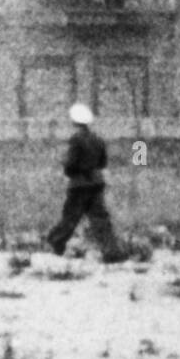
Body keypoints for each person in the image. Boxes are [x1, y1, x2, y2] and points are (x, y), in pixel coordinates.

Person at [46, 103, 119, 260]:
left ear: (74, 121)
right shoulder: (98, 139)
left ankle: (55, 243)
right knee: (101, 220)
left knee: (71, 217)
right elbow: (103, 163)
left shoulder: (76, 139)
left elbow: (71, 164)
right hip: (96, 183)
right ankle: (112, 250)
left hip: (79, 185)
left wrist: (68, 169)